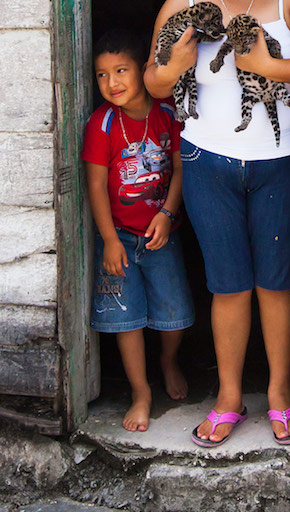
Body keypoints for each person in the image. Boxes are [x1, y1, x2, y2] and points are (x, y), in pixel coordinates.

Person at [145, 0, 290, 447]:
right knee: (228, 285)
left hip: (282, 159)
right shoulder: (185, 2)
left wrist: (269, 67)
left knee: (277, 281)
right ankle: (228, 398)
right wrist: (176, 64)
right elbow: (154, 83)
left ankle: (278, 393)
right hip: (206, 160)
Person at [82, 29, 194, 432]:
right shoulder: (102, 124)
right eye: (101, 75)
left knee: (175, 313)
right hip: (120, 239)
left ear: (143, 71)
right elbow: (95, 184)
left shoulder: (167, 113)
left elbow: (181, 167)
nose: (112, 83)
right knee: (125, 319)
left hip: (161, 232)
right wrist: (110, 240)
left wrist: (166, 213)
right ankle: (140, 391)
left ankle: (168, 360)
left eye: (121, 70)